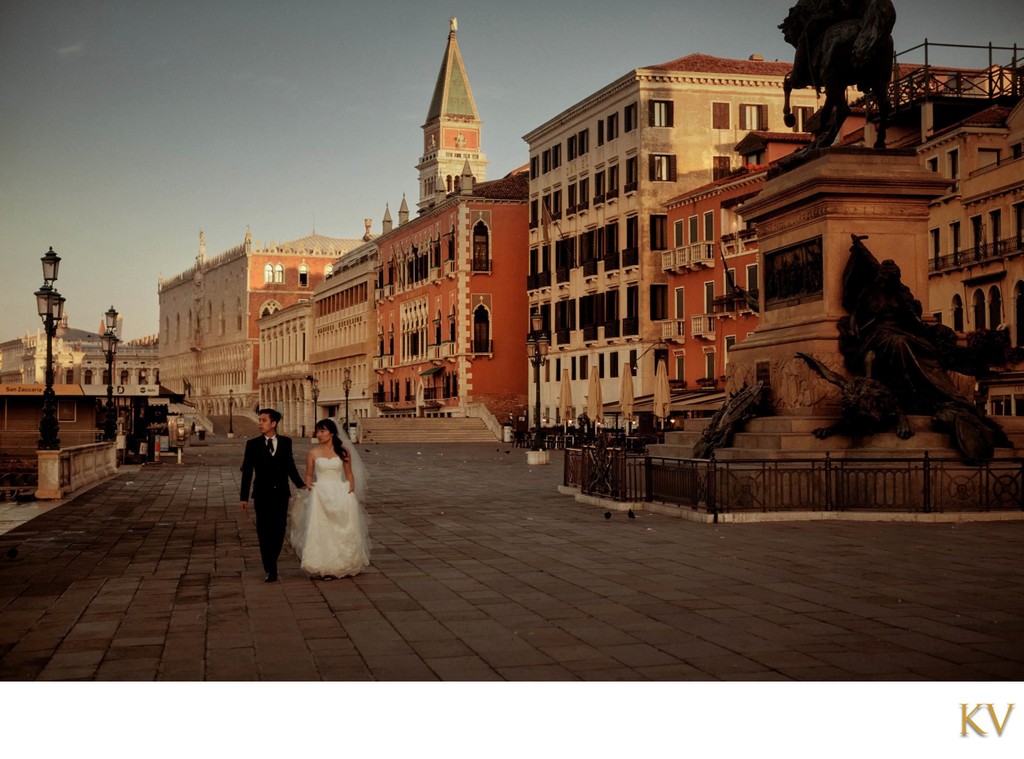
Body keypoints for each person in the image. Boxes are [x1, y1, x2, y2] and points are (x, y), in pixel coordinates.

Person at [289, 418, 371, 579]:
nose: (319, 434)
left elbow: (348, 473)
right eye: (318, 431)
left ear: (332, 433)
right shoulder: (313, 453)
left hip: (341, 492)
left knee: (343, 528)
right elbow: (309, 474)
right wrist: (309, 484)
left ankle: (345, 563)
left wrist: (350, 488)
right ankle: (324, 566)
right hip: (321, 493)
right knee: (322, 529)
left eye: (322, 431)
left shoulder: (343, 451)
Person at [239, 408, 305, 582]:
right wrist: (243, 497)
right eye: (259, 420)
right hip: (261, 494)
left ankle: (272, 559)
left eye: (264, 420)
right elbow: (247, 471)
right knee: (263, 531)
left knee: (279, 529)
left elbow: (290, 466)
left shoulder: (286, 442)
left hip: (281, 493)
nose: (260, 423)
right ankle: (271, 568)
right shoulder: (252, 444)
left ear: (274, 423)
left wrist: (301, 485)